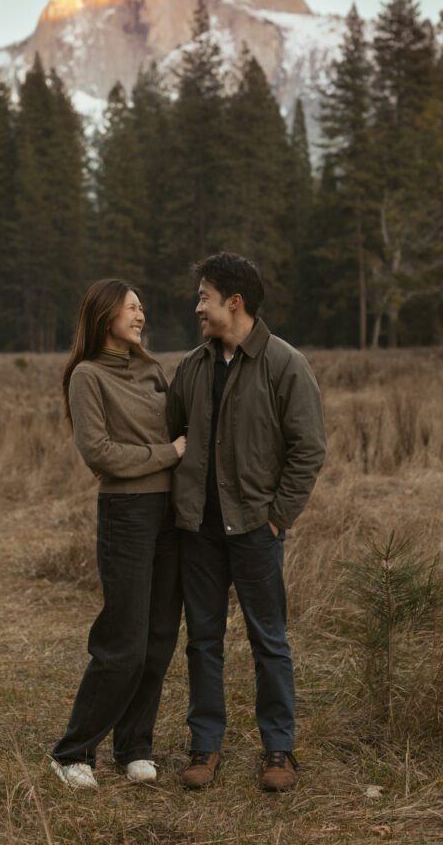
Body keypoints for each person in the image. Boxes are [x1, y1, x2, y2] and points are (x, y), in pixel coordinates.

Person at [167, 252, 326, 791]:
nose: (198, 308)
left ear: (234, 303)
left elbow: (309, 449)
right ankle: (204, 745)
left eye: (204, 298)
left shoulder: (285, 364)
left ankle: (278, 750)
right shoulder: (191, 366)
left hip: (258, 531)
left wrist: (278, 518)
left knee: (269, 641)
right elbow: (171, 440)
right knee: (202, 641)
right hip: (200, 533)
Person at [51, 278, 186, 790]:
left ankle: (135, 746)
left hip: (169, 515)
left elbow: (182, 429)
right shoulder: (86, 376)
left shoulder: (153, 370)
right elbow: (99, 454)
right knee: (123, 642)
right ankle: (73, 752)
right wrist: (168, 455)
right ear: (104, 313)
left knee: (157, 638)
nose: (141, 314)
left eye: (142, 307)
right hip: (126, 514)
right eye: (131, 307)